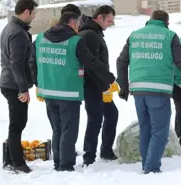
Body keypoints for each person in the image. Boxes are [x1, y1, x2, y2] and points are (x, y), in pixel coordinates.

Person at [28, 12, 116, 171]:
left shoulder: (40, 38)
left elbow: (31, 63)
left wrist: (38, 84)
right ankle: (66, 165)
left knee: (57, 129)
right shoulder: (75, 42)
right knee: (68, 131)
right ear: (71, 23)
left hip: (48, 93)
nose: (78, 28)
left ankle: (58, 162)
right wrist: (109, 79)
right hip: (68, 94)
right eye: (77, 24)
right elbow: (91, 63)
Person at [116, 10, 181, 174]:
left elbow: (121, 61)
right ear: (166, 23)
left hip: (138, 90)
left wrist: (123, 85)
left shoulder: (135, 35)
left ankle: (147, 165)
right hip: (158, 90)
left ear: (150, 21)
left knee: (145, 128)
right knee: (160, 131)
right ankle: (151, 168)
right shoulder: (169, 36)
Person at [0, 0, 38, 173]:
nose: (34, 16)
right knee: (18, 124)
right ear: (27, 12)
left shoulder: (10, 28)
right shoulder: (18, 33)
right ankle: (17, 162)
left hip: (8, 82)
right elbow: (16, 64)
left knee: (16, 122)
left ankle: (10, 158)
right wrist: (23, 89)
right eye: (34, 13)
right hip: (14, 85)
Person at [77, 5, 119, 166]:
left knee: (110, 114)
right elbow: (92, 64)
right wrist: (105, 85)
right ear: (99, 17)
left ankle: (105, 151)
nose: (110, 24)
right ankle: (89, 157)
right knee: (95, 119)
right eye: (109, 20)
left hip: (98, 84)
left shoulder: (93, 33)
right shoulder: (89, 35)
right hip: (92, 85)